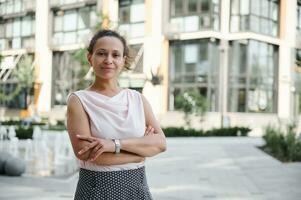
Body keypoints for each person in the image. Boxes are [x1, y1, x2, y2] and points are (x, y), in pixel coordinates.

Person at [66, 29, 166, 200]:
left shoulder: (137, 99)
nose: (108, 60)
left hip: (137, 191)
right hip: (96, 192)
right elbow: (87, 154)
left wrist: (113, 145)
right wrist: (141, 152)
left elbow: (160, 143)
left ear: (123, 60)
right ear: (90, 58)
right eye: (101, 53)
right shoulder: (78, 100)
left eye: (115, 55)